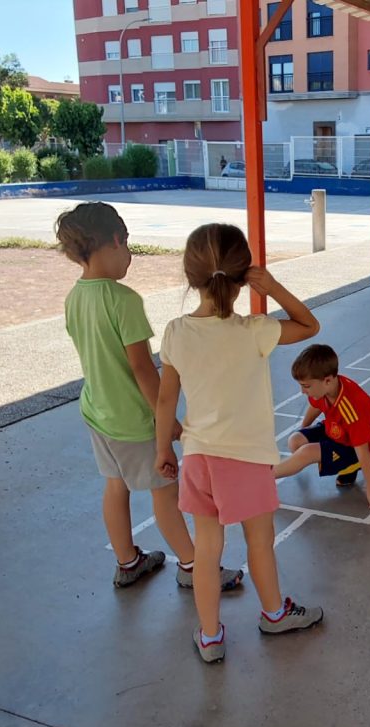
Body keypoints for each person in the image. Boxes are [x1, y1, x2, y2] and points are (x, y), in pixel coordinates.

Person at [155, 223, 324, 664]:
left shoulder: (176, 332)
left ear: (191, 276)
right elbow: (310, 325)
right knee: (259, 542)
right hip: (246, 459)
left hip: (198, 457)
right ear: (244, 275)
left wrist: (163, 450)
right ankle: (274, 614)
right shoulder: (255, 329)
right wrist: (273, 287)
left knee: (207, 550)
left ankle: (210, 637)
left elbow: (165, 400)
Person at [58, 203, 244, 591]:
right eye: (127, 245)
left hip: (97, 412)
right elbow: (142, 368)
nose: (129, 255)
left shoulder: (74, 297)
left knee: (115, 485)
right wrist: (166, 419)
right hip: (132, 419)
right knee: (165, 491)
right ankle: (192, 566)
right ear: (114, 240)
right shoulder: (123, 300)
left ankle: (128, 561)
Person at [273, 344, 370, 510]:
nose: (302, 391)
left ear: (327, 380)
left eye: (306, 386)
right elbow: (315, 406)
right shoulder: (325, 388)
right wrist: (303, 430)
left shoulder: (352, 408)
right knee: (295, 441)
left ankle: (262, 478)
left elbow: (363, 451)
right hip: (335, 430)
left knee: (306, 452)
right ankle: (339, 465)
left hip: (354, 447)